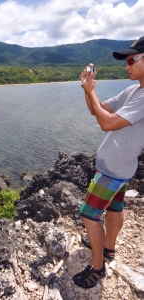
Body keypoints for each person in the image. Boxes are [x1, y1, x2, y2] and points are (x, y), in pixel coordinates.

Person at [73, 36, 144, 289]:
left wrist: (90, 91)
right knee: (114, 208)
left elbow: (107, 123)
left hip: (113, 169)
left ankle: (97, 266)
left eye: (132, 59)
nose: (127, 65)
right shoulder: (135, 90)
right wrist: (88, 89)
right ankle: (109, 248)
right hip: (120, 167)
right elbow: (99, 110)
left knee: (89, 213)